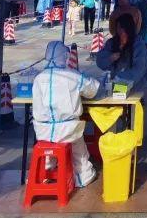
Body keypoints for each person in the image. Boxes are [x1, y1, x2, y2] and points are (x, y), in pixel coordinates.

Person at [32, 41, 101, 187]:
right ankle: (83, 177)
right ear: (64, 56)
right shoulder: (72, 76)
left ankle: (46, 172)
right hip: (68, 130)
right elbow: (92, 90)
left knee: (50, 147)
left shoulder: (38, 79)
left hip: (42, 132)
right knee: (79, 150)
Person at [94, 14, 147, 93]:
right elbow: (100, 62)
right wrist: (110, 58)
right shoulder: (112, 43)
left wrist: (119, 79)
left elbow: (138, 70)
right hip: (115, 84)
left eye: (123, 28)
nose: (121, 31)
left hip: (134, 86)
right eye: (118, 28)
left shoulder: (139, 46)